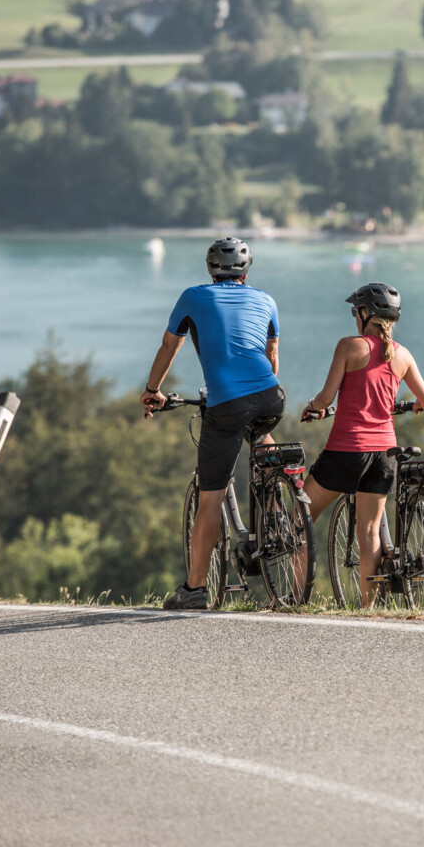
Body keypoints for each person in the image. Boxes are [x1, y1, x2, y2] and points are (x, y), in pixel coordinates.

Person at [142, 237, 284, 611]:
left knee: (210, 498)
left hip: (226, 404)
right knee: (262, 432)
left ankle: (194, 589)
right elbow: (271, 356)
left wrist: (152, 390)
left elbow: (169, 347)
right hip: (272, 396)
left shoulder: (194, 296)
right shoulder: (266, 300)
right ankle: (278, 505)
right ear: (246, 272)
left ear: (210, 270)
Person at [300, 282, 424, 607]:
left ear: (364, 314)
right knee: (370, 532)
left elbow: (326, 397)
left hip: (347, 451)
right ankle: (368, 610)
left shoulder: (350, 347)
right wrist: (413, 406)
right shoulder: (402, 354)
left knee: (300, 514)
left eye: (355, 312)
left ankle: (293, 597)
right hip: (384, 455)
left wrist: (314, 407)